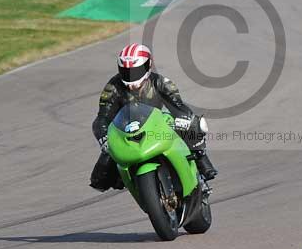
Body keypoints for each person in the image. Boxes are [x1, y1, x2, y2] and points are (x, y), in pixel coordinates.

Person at [89, 43, 218, 191]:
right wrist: (104, 138)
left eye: (136, 71)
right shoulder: (113, 87)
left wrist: (185, 121)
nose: (131, 76)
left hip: (156, 124)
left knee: (193, 122)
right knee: (99, 178)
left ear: (148, 66)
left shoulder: (162, 83)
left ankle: (202, 162)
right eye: (126, 71)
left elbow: (180, 109)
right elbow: (102, 118)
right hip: (126, 129)